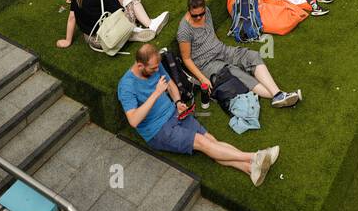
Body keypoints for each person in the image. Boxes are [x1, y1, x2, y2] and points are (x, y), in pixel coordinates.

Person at [117, 44, 279, 185]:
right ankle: (255, 156)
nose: (156, 70)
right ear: (139, 66)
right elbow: (133, 120)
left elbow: (171, 85)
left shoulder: (155, 65)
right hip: (157, 130)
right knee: (202, 142)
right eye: (152, 69)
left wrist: (177, 102)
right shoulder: (126, 86)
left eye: (157, 67)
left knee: (211, 142)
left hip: (175, 114)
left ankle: (250, 169)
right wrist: (156, 93)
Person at [177, 0, 302, 108]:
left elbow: (211, 33)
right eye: (195, 15)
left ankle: (278, 95)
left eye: (201, 13)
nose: (199, 17)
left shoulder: (207, 12)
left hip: (221, 49)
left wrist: (220, 46)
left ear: (204, 8)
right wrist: (203, 78)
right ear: (189, 11)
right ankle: (279, 96)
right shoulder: (184, 30)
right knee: (235, 73)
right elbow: (186, 59)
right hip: (206, 63)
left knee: (252, 56)